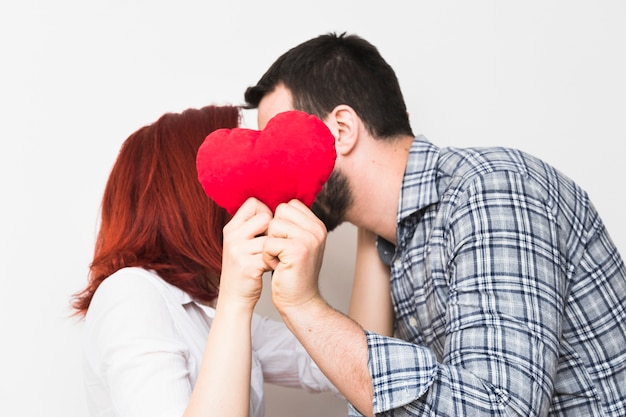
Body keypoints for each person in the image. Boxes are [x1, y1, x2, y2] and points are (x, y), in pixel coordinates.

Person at [244, 32, 626, 416]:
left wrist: (305, 306)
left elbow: (498, 411)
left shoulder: (490, 191)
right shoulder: (396, 240)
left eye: (278, 145)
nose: (271, 172)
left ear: (341, 129)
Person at [71, 105, 338, 417]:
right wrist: (235, 301)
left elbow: (338, 368)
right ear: (190, 196)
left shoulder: (204, 314)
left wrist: (367, 224)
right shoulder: (130, 293)